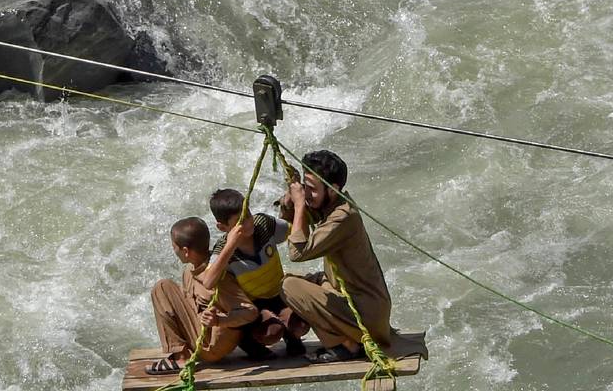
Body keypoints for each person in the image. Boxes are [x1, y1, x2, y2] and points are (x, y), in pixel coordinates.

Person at [279, 150, 428, 363]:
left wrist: (301, 204)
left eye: (312, 189)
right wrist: (290, 203)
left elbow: (298, 251)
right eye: (305, 186)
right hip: (359, 301)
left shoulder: (343, 217)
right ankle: (334, 335)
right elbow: (298, 223)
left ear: (333, 189)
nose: (307, 193)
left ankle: (344, 345)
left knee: (290, 287)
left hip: (367, 314)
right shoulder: (331, 204)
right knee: (307, 280)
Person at [202, 189, 308, 359]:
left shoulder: (263, 224)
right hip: (253, 306)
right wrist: (231, 246)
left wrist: (298, 204)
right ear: (223, 227)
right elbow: (208, 282)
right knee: (272, 332)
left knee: (301, 324)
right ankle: (249, 342)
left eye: (248, 215)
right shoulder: (223, 249)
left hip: (278, 293)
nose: (249, 223)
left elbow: (293, 230)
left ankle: (292, 337)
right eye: (240, 221)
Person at [146, 217, 259, 375]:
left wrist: (220, 320)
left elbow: (250, 311)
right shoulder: (191, 270)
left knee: (162, 288)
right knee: (170, 288)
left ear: (186, 251)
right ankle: (181, 350)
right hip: (203, 334)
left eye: (174, 247)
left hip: (211, 346)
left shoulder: (217, 277)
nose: (174, 251)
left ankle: (181, 357)